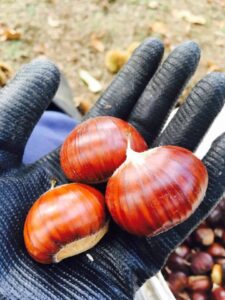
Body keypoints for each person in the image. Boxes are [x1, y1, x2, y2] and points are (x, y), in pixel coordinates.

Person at [0, 38, 225, 300]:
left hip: (82, 171)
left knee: (52, 130)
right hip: (84, 170)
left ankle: (60, 102)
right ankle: (61, 103)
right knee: (56, 127)